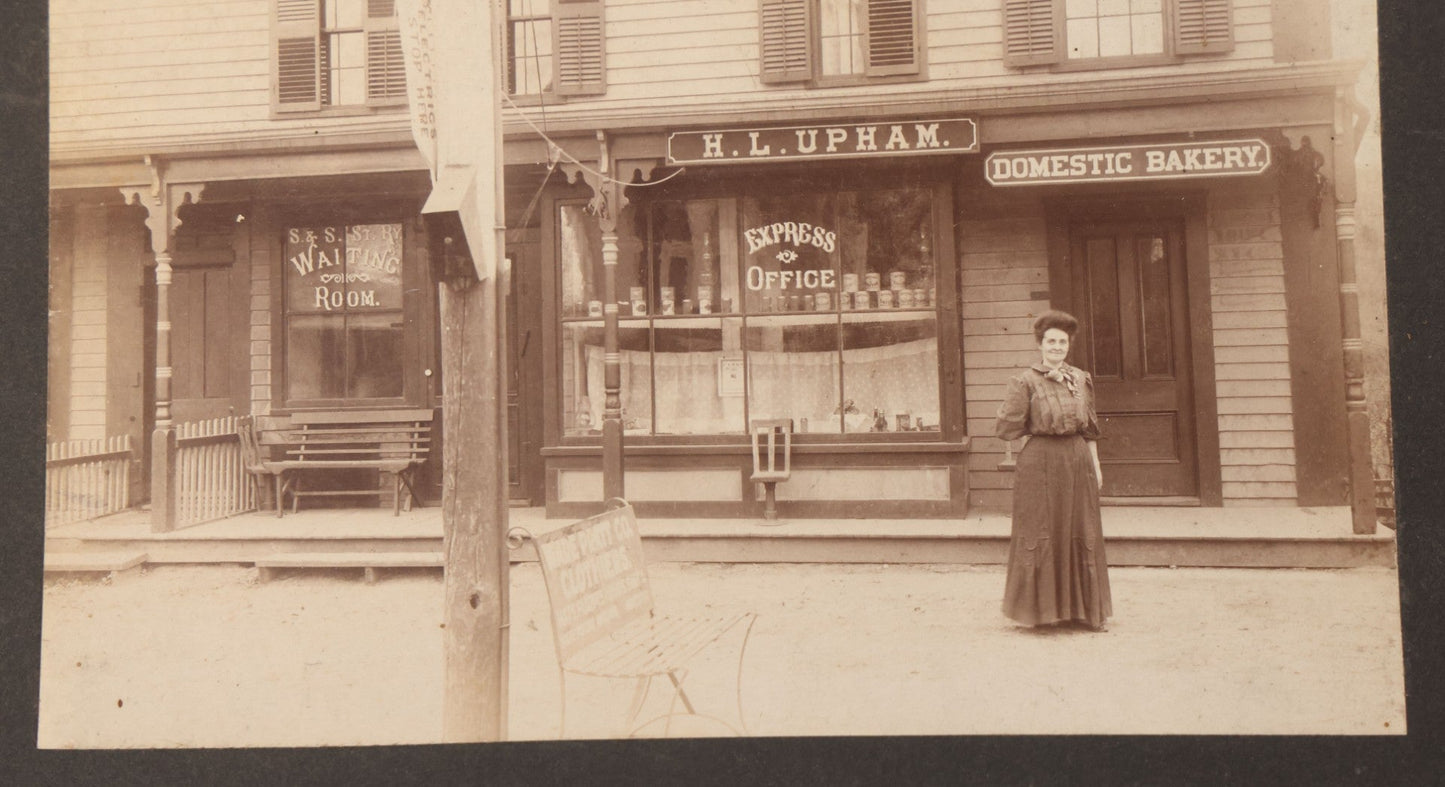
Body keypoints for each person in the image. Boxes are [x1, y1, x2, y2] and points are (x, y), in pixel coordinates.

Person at [994, 310, 1112, 631]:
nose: (1057, 347)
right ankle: (1040, 614)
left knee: (1081, 528)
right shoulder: (1026, 381)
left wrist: (1096, 466)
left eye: (1062, 342)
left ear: (1068, 345)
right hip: (1040, 463)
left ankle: (1084, 612)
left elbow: (1090, 429)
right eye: (1051, 341)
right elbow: (1006, 428)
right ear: (1040, 345)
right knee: (1041, 529)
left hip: (1077, 461)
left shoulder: (1081, 379)